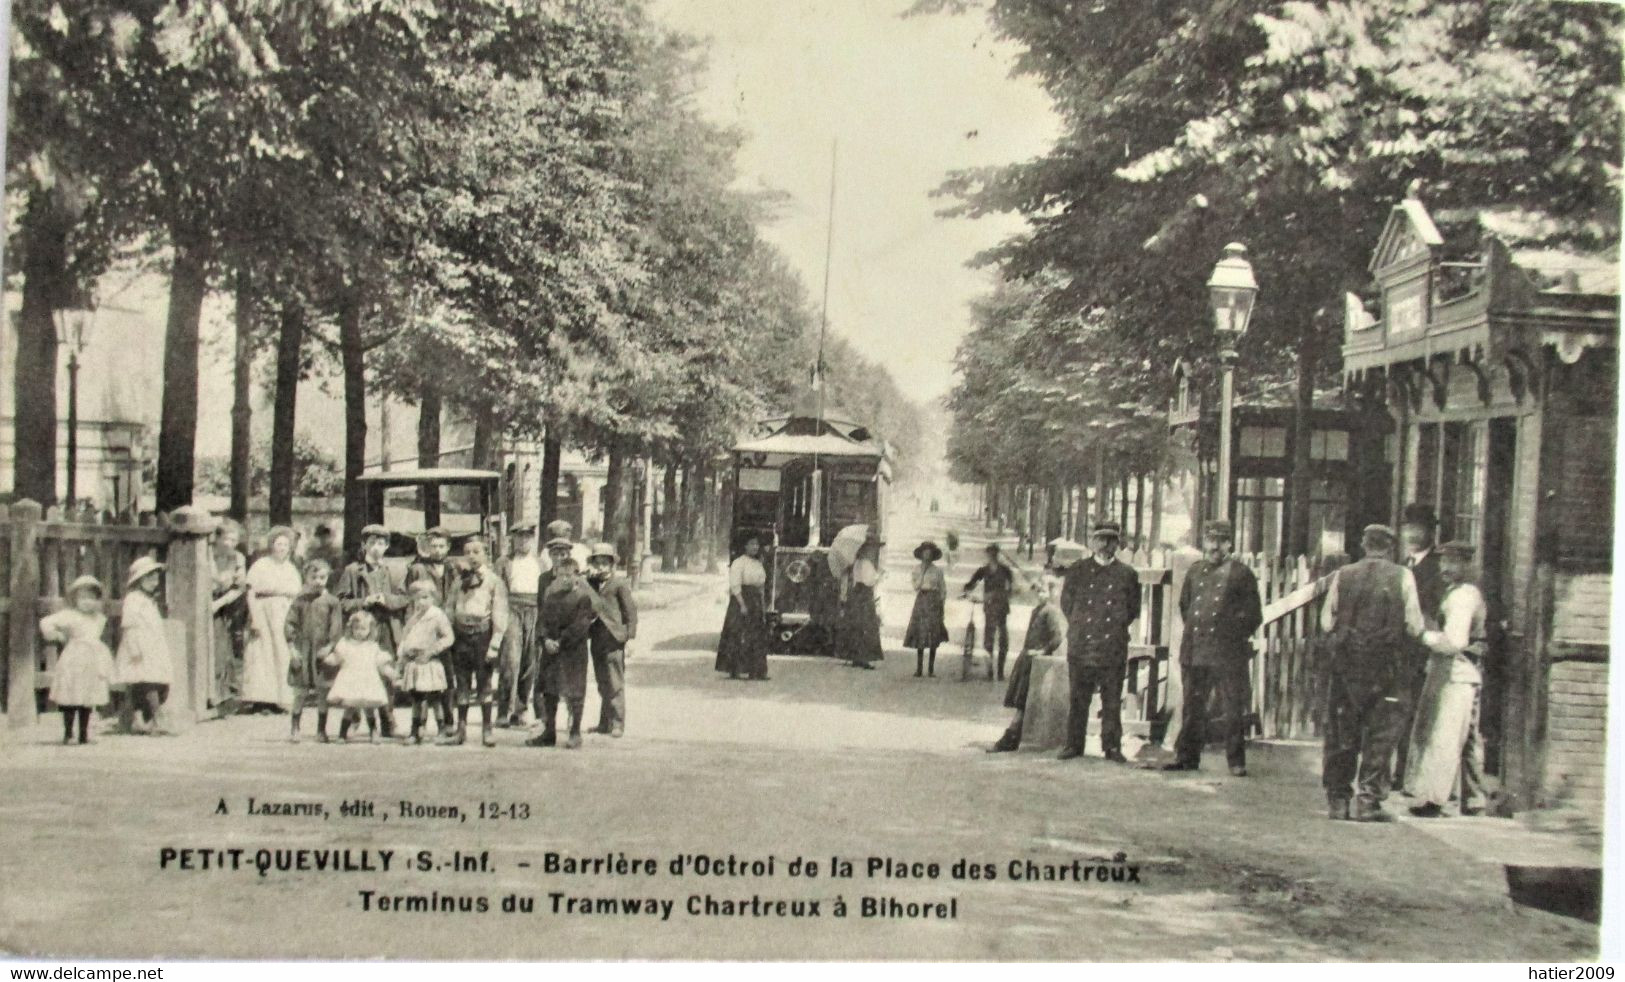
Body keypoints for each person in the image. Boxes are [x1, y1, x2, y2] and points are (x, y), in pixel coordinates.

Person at [1320, 523, 1425, 822]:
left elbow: (1327, 622)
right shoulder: (1403, 576)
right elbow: (1414, 626)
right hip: (1387, 668)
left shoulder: (1344, 574)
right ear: (1390, 548)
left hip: (1347, 667)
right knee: (1381, 736)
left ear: (1364, 545)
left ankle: (1338, 802)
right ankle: (1368, 801)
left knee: (1342, 733)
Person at [1165, 519, 1263, 776]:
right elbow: (1185, 606)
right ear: (1204, 542)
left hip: (1227, 653)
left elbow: (1253, 615)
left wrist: (1229, 635)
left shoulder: (1241, 574)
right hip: (1196, 649)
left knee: (1232, 709)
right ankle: (1187, 757)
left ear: (1230, 543)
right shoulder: (1195, 571)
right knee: (1192, 706)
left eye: (1221, 540)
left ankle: (1236, 761)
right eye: (1211, 540)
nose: (1215, 546)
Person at [1405, 541, 1491, 817]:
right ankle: (1475, 800)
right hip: (1462, 671)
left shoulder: (1463, 596)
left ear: (1467, 565)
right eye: (1443, 562)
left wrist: (1422, 636)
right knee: (1468, 738)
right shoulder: (1459, 592)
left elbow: (1454, 641)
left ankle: (1434, 800)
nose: (1445, 567)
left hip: (1456, 671)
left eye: (1452, 562)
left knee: (1445, 734)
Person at [1057, 521, 1141, 763]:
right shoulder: (1078, 571)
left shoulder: (1127, 575)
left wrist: (1114, 627)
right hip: (1082, 643)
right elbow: (1067, 604)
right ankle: (1074, 744)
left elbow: (1132, 609)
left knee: (1112, 698)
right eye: (1101, 539)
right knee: (1078, 697)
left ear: (1118, 543)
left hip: (1112, 645)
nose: (1106, 544)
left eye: (1111, 539)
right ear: (1092, 541)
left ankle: (1112, 746)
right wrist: (1081, 627)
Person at [335, 524, 408, 738]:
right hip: (361, 629)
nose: (377, 548)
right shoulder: (352, 571)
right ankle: (354, 719)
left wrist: (387, 600)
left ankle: (387, 719)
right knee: (358, 672)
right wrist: (364, 601)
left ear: (386, 547)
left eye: (381, 544)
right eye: (372, 543)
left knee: (386, 672)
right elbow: (341, 601)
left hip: (385, 627)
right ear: (364, 545)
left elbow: (405, 598)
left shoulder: (393, 571)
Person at [1394, 502, 1444, 787]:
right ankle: (1400, 773)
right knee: (1399, 714)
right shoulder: (1402, 567)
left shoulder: (1437, 569)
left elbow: (1436, 613)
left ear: (1431, 533)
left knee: (1419, 716)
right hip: (1401, 654)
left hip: (1423, 654)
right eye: (1409, 529)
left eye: (1419, 529)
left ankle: (1413, 775)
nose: (1413, 535)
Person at [989, 575, 1067, 753]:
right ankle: (1016, 735)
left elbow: (1057, 637)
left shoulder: (1051, 612)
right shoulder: (1037, 610)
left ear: (1053, 592)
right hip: (1028, 659)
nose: (1041, 594)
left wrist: (1042, 651)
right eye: (1038, 591)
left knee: (1026, 700)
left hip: (1038, 662)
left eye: (1045, 591)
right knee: (1022, 699)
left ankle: (1011, 736)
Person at [444, 537, 509, 747]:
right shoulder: (458, 581)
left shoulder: (494, 581)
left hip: (483, 636)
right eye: (467, 552)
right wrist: (448, 635)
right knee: (461, 683)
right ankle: (461, 730)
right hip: (460, 637)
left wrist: (495, 643)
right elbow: (450, 609)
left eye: (476, 551)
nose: (471, 556)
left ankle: (487, 730)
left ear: (485, 555)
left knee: (484, 685)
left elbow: (500, 613)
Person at [530, 554, 597, 748]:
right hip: (552, 651)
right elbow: (541, 621)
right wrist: (545, 639)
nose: (565, 579)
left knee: (575, 691)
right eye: (561, 575)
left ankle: (575, 733)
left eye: (569, 575)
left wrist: (561, 640)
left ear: (577, 575)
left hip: (573, 652)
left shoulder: (583, 598)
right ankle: (549, 732)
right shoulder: (552, 598)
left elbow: (581, 625)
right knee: (550, 690)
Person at [41, 575, 116, 745]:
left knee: (87, 698)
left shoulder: (98, 619)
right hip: (74, 660)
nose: (87, 602)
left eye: (91, 598)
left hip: (91, 661)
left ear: (98, 600)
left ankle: (83, 734)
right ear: (74, 599)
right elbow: (46, 622)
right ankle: (68, 733)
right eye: (82, 598)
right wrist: (57, 635)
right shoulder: (70, 615)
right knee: (70, 696)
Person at [240, 526, 302, 712]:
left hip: (283, 614)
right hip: (263, 612)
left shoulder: (291, 569)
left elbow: (296, 597)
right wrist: (255, 619)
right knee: (261, 653)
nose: (281, 548)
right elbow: (250, 593)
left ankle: (279, 699)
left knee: (281, 653)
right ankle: (260, 699)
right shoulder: (261, 565)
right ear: (271, 545)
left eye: (285, 544)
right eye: (278, 544)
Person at [284, 558, 345, 743]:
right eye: (314, 577)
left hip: (322, 652)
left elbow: (336, 629)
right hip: (303, 650)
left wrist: (329, 648)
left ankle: (321, 730)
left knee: (322, 692)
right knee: (300, 692)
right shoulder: (300, 601)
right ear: (306, 578)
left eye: (322, 577)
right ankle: (295, 728)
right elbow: (290, 624)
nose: (318, 581)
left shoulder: (332, 602)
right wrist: (292, 649)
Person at [407, 526, 459, 727]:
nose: (437, 550)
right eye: (433, 546)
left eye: (441, 546)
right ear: (427, 547)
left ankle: (447, 721)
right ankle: (418, 724)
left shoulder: (453, 568)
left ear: (448, 547)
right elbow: (411, 598)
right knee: (422, 675)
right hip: (426, 624)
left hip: (448, 625)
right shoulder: (418, 569)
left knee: (446, 675)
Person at [116, 556, 173, 735]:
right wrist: (134, 648)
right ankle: (157, 719)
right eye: (148, 578)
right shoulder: (133, 599)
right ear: (138, 580)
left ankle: (139, 720)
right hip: (139, 645)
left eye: (156, 578)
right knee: (148, 683)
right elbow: (129, 624)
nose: (153, 582)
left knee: (151, 682)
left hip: (152, 646)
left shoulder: (149, 600)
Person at [586, 543, 637, 736]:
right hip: (597, 638)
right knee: (602, 682)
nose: (600, 567)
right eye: (597, 563)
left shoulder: (619, 585)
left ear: (612, 565)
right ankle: (604, 722)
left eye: (604, 564)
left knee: (615, 681)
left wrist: (630, 638)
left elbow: (630, 612)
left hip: (614, 639)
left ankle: (617, 723)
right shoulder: (590, 584)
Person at [325, 611, 397, 743]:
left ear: (370, 629)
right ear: (350, 628)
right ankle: (342, 734)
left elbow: (380, 663)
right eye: (356, 628)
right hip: (351, 679)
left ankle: (374, 732)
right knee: (350, 707)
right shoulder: (345, 644)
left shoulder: (372, 646)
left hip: (367, 680)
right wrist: (329, 660)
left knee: (369, 708)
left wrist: (391, 673)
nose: (359, 632)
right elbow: (337, 658)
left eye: (363, 629)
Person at [398, 580, 455, 744]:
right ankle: (415, 731)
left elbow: (448, 637)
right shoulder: (413, 618)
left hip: (430, 662)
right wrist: (404, 654)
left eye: (424, 597)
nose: (420, 602)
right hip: (415, 663)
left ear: (433, 598)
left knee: (435, 698)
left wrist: (432, 651)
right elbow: (406, 637)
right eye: (417, 599)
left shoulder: (436, 616)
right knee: (417, 698)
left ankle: (442, 728)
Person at [496, 524, 541, 727]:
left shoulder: (540, 562)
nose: (524, 542)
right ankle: (503, 711)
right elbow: (497, 590)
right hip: (512, 608)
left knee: (530, 662)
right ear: (513, 539)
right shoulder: (504, 562)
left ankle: (521, 711)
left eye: (528, 537)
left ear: (533, 539)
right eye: (520, 537)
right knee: (510, 661)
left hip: (534, 609)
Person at [716, 533, 769, 680]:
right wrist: (742, 604)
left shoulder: (758, 564)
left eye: (756, 545)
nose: (755, 547)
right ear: (745, 546)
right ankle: (735, 669)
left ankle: (756, 671)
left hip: (755, 600)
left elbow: (761, 586)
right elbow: (735, 585)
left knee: (756, 636)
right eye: (751, 544)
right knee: (738, 635)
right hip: (741, 600)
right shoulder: (738, 563)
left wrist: (762, 606)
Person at [209, 519, 249, 710]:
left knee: (222, 649)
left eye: (235, 540)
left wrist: (219, 604)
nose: (232, 544)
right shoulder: (206, 554)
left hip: (223, 605)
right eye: (228, 539)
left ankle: (221, 694)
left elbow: (239, 587)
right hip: (200, 601)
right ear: (217, 538)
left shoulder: (238, 558)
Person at [963, 543, 1015, 680]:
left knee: (1003, 639)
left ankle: (1001, 671)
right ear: (987, 555)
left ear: (998, 555)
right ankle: (990, 670)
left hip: (1002, 607)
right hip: (990, 607)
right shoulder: (984, 571)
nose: (992, 556)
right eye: (990, 554)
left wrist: (1006, 594)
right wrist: (967, 590)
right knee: (989, 639)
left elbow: (1012, 586)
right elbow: (971, 583)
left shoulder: (1005, 570)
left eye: (995, 554)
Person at [838, 532, 885, 670]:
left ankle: (855, 657)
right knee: (866, 625)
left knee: (856, 625)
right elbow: (869, 581)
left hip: (856, 594)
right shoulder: (866, 563)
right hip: (864, 594)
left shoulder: (856, 563)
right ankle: (864, 658)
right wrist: (880, 576)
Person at [904, 541, 950, 678]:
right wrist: (923, 574)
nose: (927, 555)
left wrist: (942, 603)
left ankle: (931, 669)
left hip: (934, 602)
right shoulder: (917, 570)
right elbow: (916, 587)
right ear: (921, 554)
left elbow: (943, 588)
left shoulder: (937, 571)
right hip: (922, 601)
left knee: (933, 633)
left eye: (929, 553)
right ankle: (919, 668)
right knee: (920, 633)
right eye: (925, 552)